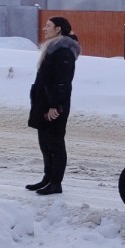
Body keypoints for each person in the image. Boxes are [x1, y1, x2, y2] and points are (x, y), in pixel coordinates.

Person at [27, 16, 80, 195]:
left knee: (55, 143)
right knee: (45, 143)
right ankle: (47, 178)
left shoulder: (63, 51)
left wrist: (55, 106)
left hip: (54, 105)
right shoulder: (53, 48)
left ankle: (56, 182)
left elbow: (62, 82)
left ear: (58, 29)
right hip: (44, 102)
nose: (44, 28)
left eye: (48, 26)